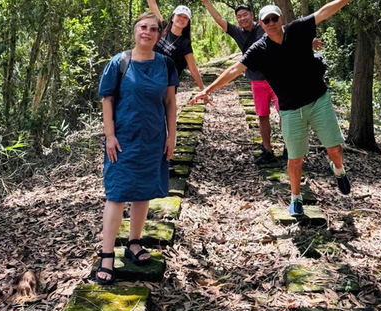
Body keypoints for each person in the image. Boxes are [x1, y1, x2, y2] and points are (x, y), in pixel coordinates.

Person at [191, 1, 352, 216]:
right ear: (261, 24)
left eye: (274, 18)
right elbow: (235, 69)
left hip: (318, 100)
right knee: (295, 159)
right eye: (266, 20)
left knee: (334, 149)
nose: (271, 23)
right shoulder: (259, 49)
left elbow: (324, 12)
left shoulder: (297, 29)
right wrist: (208, 90)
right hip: (290, 109)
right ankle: (296, 199)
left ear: (281, 19)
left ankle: (338, 170)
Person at [96, 11, 178, 285]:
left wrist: (171, 136)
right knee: (117, 194)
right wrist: (109, 135)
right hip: (123, 138)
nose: (147, 32)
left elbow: (169, 103)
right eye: (143, 27)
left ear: (159, 34)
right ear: (135, 30)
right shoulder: (119, 62)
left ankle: (134, 242)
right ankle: (107, 254)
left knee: (143, 191)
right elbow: (107, 100)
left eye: (153, 29)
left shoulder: (166, 65)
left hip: (153, 137)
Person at [200, 1, 279, 164]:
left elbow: (284, 33)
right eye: (239, 16)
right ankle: (267, 150)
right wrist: (206, 2)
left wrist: (308, 42)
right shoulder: (237, 32)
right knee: (262, 116)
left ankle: (290, 149)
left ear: (252, 15)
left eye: (245, 15)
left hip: (275, 79)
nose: (242, 18)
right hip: (256, 80)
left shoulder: (264, 25)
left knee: (285, 113)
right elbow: (219, 19)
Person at [148, 0, 205, 93]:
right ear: (172, 17)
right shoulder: (163, 27)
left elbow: (193, 69)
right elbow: (152, 3)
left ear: (188, 22)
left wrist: (203, 90)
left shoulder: (185, 43)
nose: (181, 19)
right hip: (149, 75)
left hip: (167, 84)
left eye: (185, 17)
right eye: (179, 15)